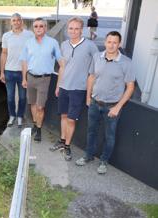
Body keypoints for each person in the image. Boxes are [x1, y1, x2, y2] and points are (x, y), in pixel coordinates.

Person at [75, 31, 135, 174]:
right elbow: (91, 77)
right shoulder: (97, 57)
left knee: (109, 136)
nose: (111, 45)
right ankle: (88, 156)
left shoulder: (126, 62)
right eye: (109, 42)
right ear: (105, 42)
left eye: (115, 42)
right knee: (91, 132)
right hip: (95, 103)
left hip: (112, 107)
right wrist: (88, 97)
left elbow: (130, 87)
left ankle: (104, 161)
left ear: (119, 44)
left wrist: (118, 107)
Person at [50, 17, 98, 161]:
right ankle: (62, 141)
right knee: (63, 116)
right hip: (64, 86)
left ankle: (68, 147)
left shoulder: (90, 46)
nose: (73, 31)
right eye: (71, 28)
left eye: (76, 28)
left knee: (71, 119)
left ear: (81, 30)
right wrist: (58, 85)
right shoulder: (64, 45)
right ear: (67, 29)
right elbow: (62, 67)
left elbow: (96, 68)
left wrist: (90, 91)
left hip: (78, 89)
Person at [20, 17, 64, 141]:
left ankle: (39, 129)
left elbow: (60, 61)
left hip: (44, 79)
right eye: (36, 26)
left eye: (41, 26)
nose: (38, 28)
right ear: (33, 28)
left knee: (40, 107)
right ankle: (35, 123)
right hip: (30, 77)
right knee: (32, 104)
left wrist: (60, 81)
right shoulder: (28, 42)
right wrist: (24, 78)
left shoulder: (52, 43)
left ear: (45, 28)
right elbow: (24, 61)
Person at [0, 13, 33, 128]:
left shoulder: (29, 35)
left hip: (23, 72)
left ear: (22, 21)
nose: (16, 22)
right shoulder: (6, 36)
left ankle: (20, 117)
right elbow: (4, 53)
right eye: (14, 20)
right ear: (11, 22)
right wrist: (1, 72)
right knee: (10, 97)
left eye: (18, 20)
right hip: (9, 71)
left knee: (23, 97)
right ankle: (12, 116)